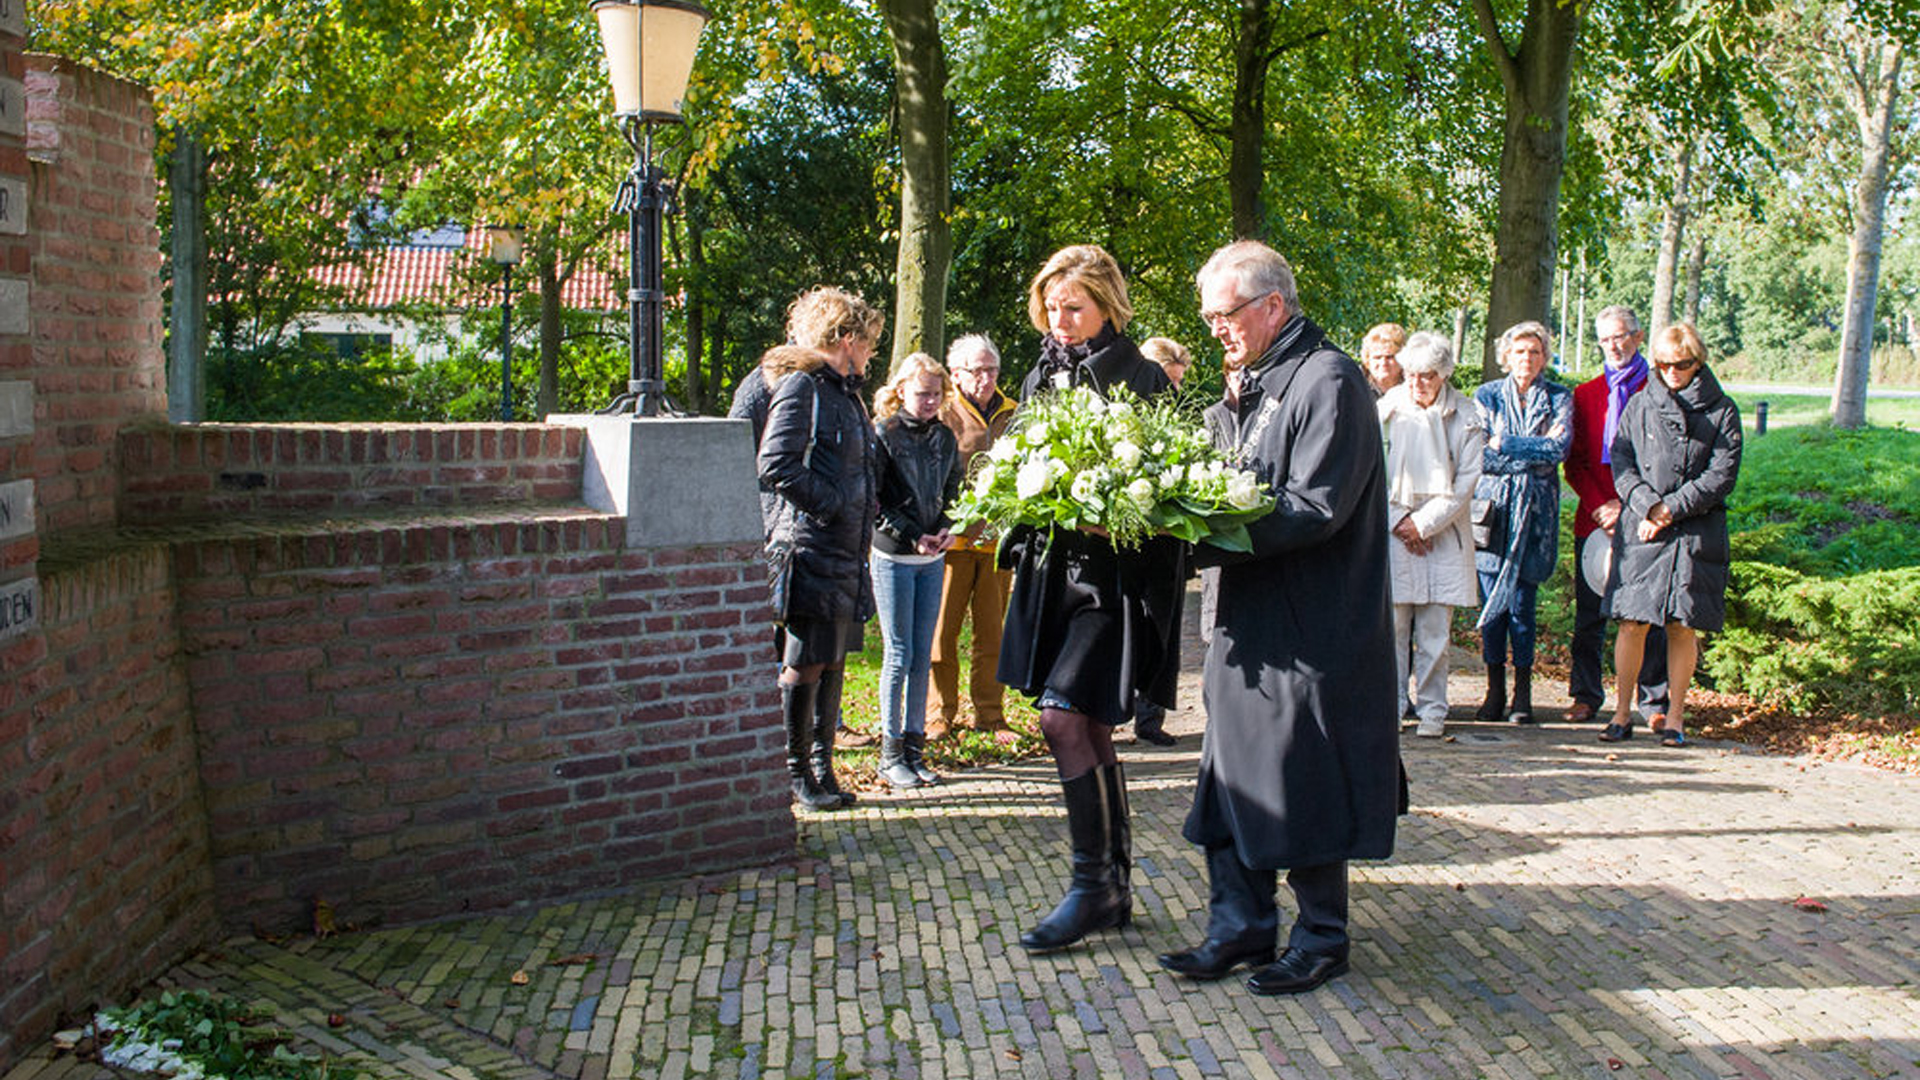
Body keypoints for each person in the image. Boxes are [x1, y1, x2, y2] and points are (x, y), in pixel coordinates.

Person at [1157, 240, 1399, 996]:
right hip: (1246, 623)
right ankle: (1240, 925)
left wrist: (1195, 534)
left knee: (1305, 775)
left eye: (1225, 314)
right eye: (1207, 318)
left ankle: (1322, 935)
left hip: (1310, 626)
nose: (1215, 330)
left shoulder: (1328, 380)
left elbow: (1315, 508)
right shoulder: (1249, 384)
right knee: (1231, 770)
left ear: (1272, 305)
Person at [1000, 243, 1184, 953]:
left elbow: (1168, 489)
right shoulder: (1043, 371)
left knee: (1062, 719)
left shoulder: (1142, 378)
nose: (1060, 319)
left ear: (1108, 303)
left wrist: (1118, 514)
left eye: (1073, 306)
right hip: (1055, 575)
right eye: (1051, 307)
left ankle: (1090, 886)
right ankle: (1113, 884)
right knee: (1091, 727)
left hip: (1114, 583)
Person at [756, 287, 884, 812]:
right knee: (804, 663)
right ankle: (795, 773)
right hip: (811, 550)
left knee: (832, 662)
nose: (873, 354)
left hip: (845, 551)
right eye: (871, 343)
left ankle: (823, 767)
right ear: (847, 339)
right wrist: (833, 505)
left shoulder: (846, 394)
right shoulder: (802, 387)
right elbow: (776, 464)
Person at [1601, 323, 1742, 747]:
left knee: (1683, 625)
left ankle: (1675, 716)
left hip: (1695, 531)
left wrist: (1669, 509)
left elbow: (1722, 474)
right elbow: (1622, 462)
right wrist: (1647, 504)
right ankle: (1622, 713)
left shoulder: (1723, 410)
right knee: (1632, 623)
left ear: (1698, 362)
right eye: (1663, 364)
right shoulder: (1640, 404)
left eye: (1681, 365)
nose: (1672, 372)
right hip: (1643, 529)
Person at [1565, 306, 1669, 725]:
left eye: (1621, 336)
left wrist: (1630, 505)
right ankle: (1586, 694)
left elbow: (1664, 462)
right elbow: (1575, 463)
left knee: (1649, 613)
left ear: (1639, 337)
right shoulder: (1587, 394)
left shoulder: (1658, 389)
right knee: (1590, 615)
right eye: (1606, 339)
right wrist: (1599, 505)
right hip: (1596, 517)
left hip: (1645, 513)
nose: (1614, 345)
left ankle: (1654, 702)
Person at [1378, 332, 1485, 739]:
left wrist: (1423, 525)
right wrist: (1399, 521)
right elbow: (1372, 470)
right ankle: (1392, 707)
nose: (1416, 383)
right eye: (1410, 374)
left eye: (1426, 375)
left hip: (1444, 536)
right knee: (1392, 630)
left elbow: (1467, 481)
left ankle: (1433, 710)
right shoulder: (1386, 409)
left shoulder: (1466, 414)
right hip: (1393, 532)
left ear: (1443, 375)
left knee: (1436, 636)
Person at [1471, 321, 1572, 725]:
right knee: (1493, 605)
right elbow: (1481, 456)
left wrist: (1507, 442)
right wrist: (1531, 449)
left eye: (1534, 352)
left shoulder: (1558, 398)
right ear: (1505, 356)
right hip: (1494, 512)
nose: (1526, 359)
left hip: (1536, 516)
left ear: (1544, 357)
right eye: (1518, 351)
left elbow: (1558, 450)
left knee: (1523, 607)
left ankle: (1523, 693)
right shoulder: (1488, 396)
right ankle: (1494, 688)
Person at [870, 353, 962, 788]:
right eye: (923, 393)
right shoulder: (883, 434)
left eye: (936, 394)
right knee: (899, 654)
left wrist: (946, 528)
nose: (930, 402)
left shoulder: (945, 437)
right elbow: (875, 501)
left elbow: (952, 489)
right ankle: (890, 754)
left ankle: (914, 748)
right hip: (894, 554)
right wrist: (912, 535)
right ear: (901, 389)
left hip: (932, 555)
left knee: (923, 655)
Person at [927, 335, 1019, 739]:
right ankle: (938, 717)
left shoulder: (1014, 412)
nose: (985, 378)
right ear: (957, 373)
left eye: (992, 369)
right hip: (952, 544)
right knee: (942, 635)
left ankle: (990, 715)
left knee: (992, 633)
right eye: (976, 370)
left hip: (997, 542)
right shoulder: (944, 411)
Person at [1126, 335, 1195, 748]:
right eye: (1167, 382)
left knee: (1161, 630)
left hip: (1168, 544)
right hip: (1128, 541)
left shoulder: (1184, 420)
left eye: (1179, 383)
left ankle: (1150, 714)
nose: (1172, 392)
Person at [1360, 323, 1408, 397]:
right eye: (1377, 357)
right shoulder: (1357, 385)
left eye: (1389, 357)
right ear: (1367, 361)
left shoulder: (1413, 386)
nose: (1383, 363)